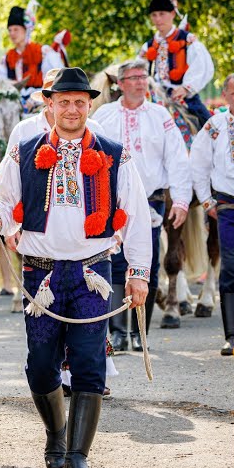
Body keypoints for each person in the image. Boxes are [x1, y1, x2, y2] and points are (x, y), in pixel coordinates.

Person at [0, 67, 152, 468]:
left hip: (93, 272)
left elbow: (133, 214)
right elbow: (0, 199)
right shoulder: (24, 148)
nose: (73, 109)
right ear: (50, 104)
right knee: (41, 367)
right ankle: (56, 434)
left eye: (80, 102)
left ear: (89, 104)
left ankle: (79, 454)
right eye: (64, 102)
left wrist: (138, 273)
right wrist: (0, 224)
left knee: (89, 363)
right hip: (39, 274)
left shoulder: (114, 153)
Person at [92, 59, 192, 350]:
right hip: (112, 201)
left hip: (151, 200)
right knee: (115, 262)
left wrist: (183, 200)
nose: (139, 82)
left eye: (142, 77)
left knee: (146, 264)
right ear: (120, 83)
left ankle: (139, 332)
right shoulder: (105, 115)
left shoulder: (160, 115)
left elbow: (177, 158)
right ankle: (118, 331)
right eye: (133, 77)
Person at [189, 73, 234, 355]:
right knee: (231, 267)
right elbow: (199, 163)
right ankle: (231, 335)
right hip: (229, 206)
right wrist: (207, 201)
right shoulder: (214, 126)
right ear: (226, 95)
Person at [138, 0, 215, 127]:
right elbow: (138, 70)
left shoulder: (187, 40)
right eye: (154, 15)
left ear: (173, 14)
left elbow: (202, 66)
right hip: (153, 96)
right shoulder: (147, 46)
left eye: (162, 14)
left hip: (182, 95)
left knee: (209, 128)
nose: (158, 19)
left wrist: (186, 88)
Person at [0, 0, 67, 110]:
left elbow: (57, 79)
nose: (12, 34)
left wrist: (36, 99)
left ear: (26, 30)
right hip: (14, 105)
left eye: (16, 29)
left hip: (41, 104)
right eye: (10, 30)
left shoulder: (43, 53)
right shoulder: (7, 58)